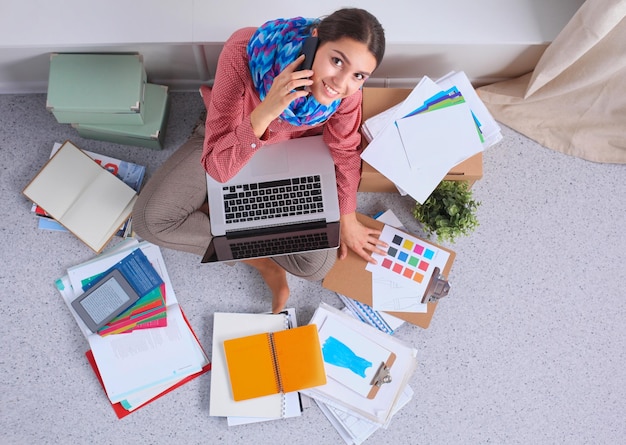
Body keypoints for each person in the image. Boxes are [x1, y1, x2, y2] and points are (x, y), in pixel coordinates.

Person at [132, 8, 388, 313]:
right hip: (232, 136)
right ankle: (264, 263)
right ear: (315, 39)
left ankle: (227, 216)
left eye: (358, 75)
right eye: (336, 61)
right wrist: (268, 109)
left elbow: (345, 152)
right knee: (151, 222)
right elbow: (218, 167)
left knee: (316, 264)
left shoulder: (347, 94)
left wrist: (347, 216)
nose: (341, 83)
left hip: (292, 155)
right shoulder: (243, 49)